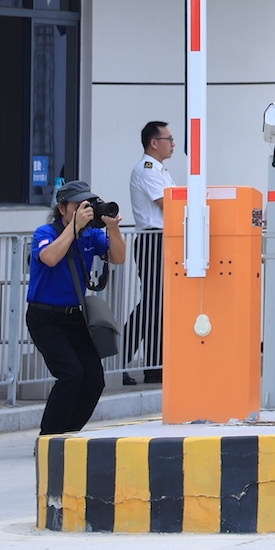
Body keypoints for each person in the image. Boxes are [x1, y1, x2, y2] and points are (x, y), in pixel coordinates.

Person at [27, 181, 125, 435]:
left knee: (94, 380)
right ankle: (49, 437)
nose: (86, 211)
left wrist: (113, 229)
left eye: (89, 205)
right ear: (62, 208)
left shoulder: (91, 234)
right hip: (45, 317)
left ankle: (68, 433)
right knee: (71, 374)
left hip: (75, 317)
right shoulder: (45, 232)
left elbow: (118, 257)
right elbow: (49, 257)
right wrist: (74, 227)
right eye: (79, 206)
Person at [121, 120, 173, 385]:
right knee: (152, 303)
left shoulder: (161, 170)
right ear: (154, 143)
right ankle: (120, 358)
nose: (173, 144)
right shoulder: (147, 169)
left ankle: (156, 365)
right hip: (153, 240)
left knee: (159, 304)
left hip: (163, 240)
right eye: (169, 139)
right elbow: (168, 203)